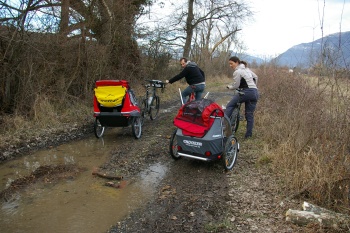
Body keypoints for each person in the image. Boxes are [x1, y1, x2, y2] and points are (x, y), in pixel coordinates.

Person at [226, 56, 259, 139]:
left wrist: (230, 87)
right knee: (249, 114)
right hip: (255, 92)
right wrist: (253, 86)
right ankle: (248, 135)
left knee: (230, 105)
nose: (230, 65)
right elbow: (256, 77)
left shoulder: (238, 71)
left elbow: (236, 85)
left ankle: (223, 126)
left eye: (231, 63)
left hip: (246, 92)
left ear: (237, 62)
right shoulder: (247, 69)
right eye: (229, 64)